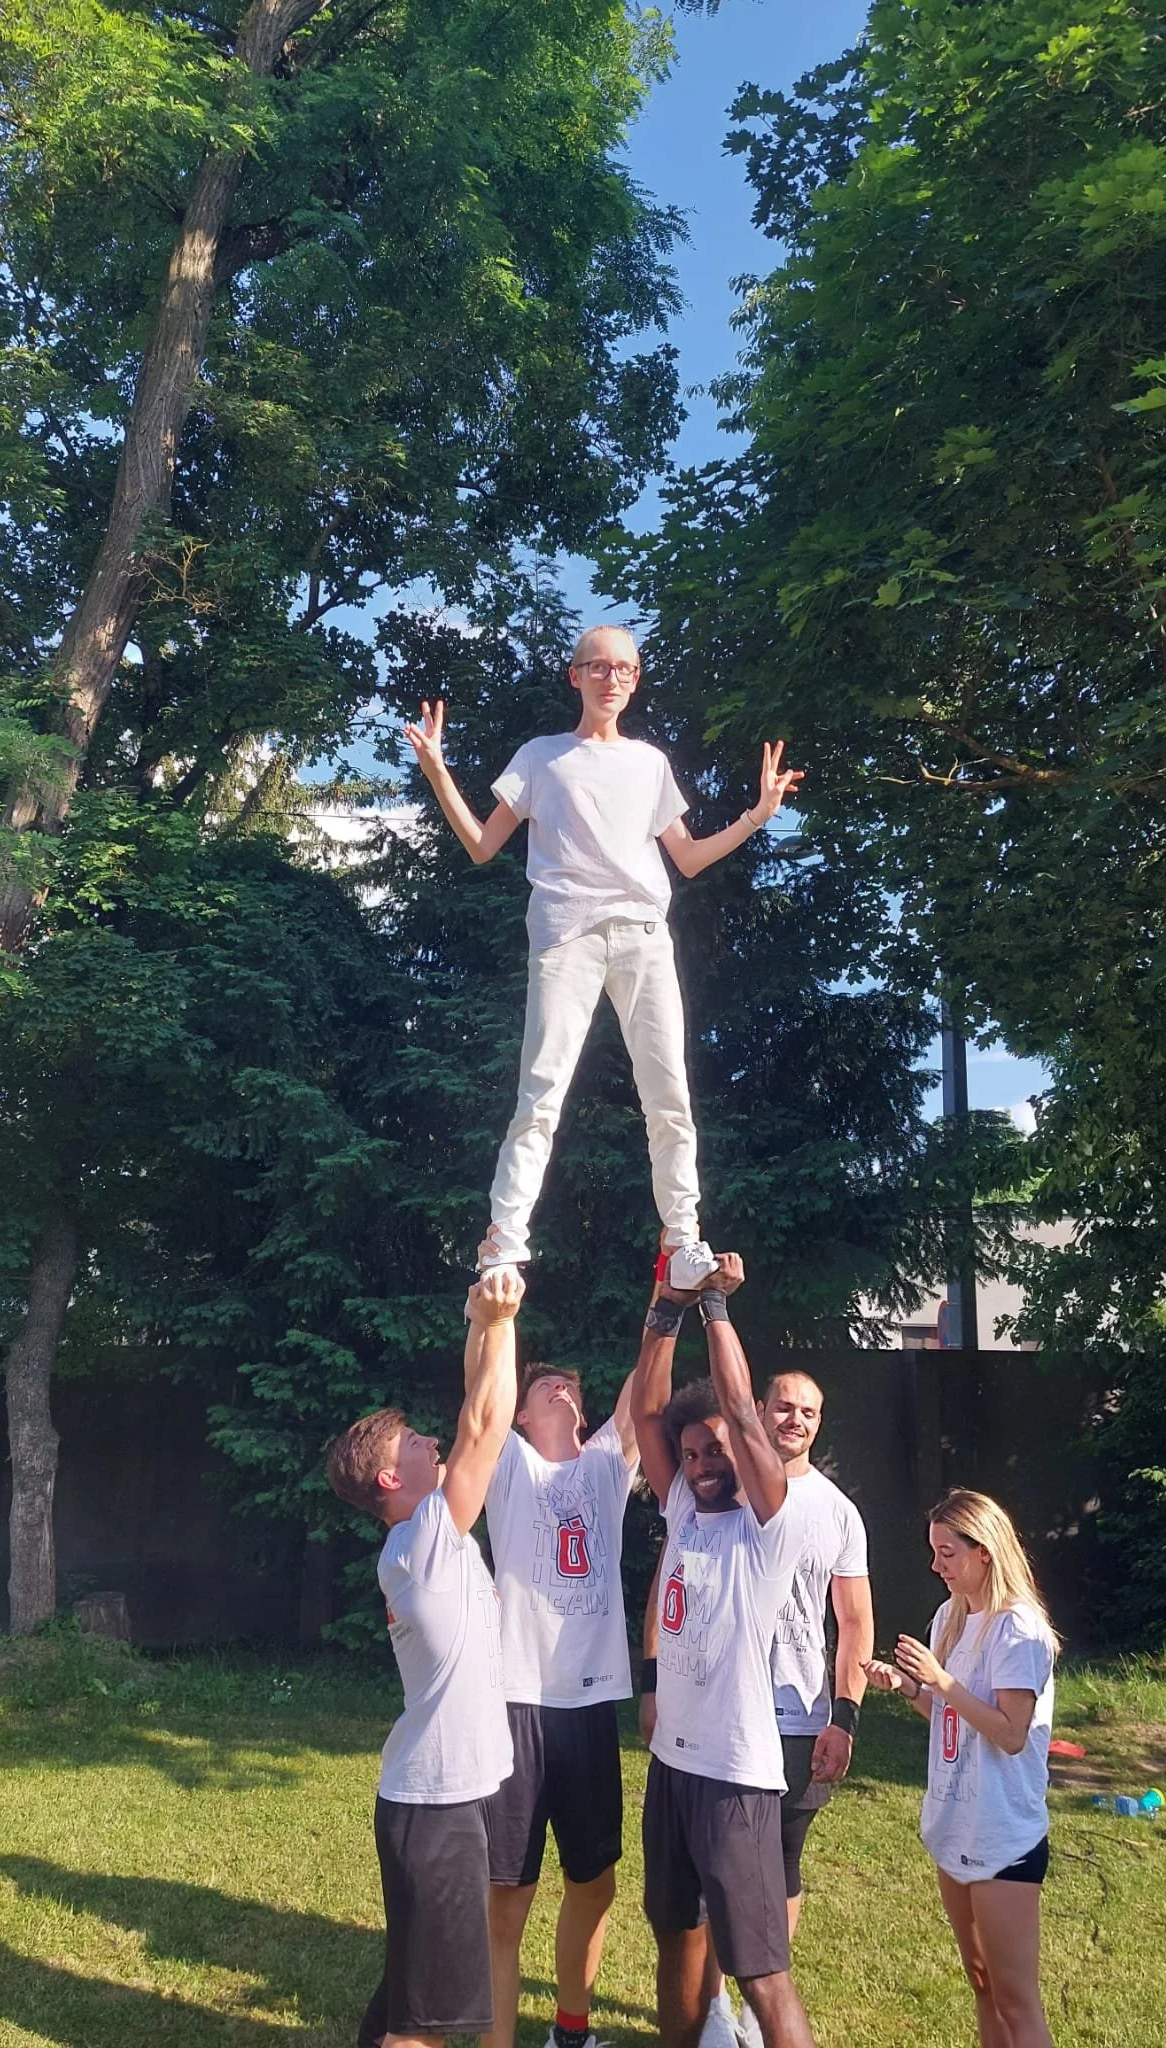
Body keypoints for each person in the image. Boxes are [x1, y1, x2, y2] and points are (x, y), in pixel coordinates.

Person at [403, 624, 802, 1288]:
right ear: (575, 676)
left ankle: (683, 1241)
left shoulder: (649, 764)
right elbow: (479, 845)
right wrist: (439, 772)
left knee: (668, 1092)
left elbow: (689, 857)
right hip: (566, 937)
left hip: (645, 936)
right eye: (598, 667)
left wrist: (759, 813)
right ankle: (503, 1241)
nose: (611, 678)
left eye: (624, 669)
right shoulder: (540, 756)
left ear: (636, 680)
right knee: (542, 1091)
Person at [638, 1372, 875, 2048]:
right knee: (702, 1892)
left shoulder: (832, 1511)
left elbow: (854, 1621)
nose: (796, 1419)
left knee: (771, 1877)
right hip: (711, 1717)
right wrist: (654, 1679)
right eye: (785, 1406)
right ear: (757, 1413)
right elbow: (670, 1586)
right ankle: (711, 2006)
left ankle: (749, 2012)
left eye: (811, 1411)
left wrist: (844, 1713)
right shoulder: (715, 1491)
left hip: (791, 1717)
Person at [326, 1266, 524, 2048]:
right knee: (427, 2029)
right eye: (414, 1442)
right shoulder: (428, 1540)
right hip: (435, 1810)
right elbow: (486, 1424)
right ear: (388, 1477)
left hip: (436, 1803)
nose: (432, 1440)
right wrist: (502, 1319)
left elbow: (477, 1406)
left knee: (412, 2005)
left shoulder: (421, 1542)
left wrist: (482, 1316)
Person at [632, 1253, 814, 2048]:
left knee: (762, 1972)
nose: (706, 1464)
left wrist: (713, 1307)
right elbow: (646, 1416)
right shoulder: (681, 1507)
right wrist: (663, 1310)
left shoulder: (770, 1525)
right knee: (674, 1935)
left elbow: (742, 1413)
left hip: (736, 1775)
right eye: (695, 1453)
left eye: (719, 1453)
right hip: (673, 1764)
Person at [863, 1488, 1058, 2048]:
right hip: (954, 1823)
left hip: (1004, 1835)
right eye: (934, 1551)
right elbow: (949, 1718)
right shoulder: (950, 1617)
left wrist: (941, 1680)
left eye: (947, 1553)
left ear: (985, 1552)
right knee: (980, 1981)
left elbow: (1010, 1734)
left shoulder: (1017, 1629)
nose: (935, 1565)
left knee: (1016, 2000)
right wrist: (905, 1687)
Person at [483, 1358, 640, 2048]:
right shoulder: (511, 1464)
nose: (562, 1389)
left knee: (594, 1880)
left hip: (589, 1706)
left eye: (572, 1386)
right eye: (544, 1387)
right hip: (516, 1701)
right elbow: (483, 1393)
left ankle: (569, 2032)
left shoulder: (606, 1466)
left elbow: (647, 1387)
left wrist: (669, 1297)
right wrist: (495, 1304)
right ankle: (497, 2040)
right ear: (521, 1415)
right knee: (508, 1895)